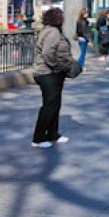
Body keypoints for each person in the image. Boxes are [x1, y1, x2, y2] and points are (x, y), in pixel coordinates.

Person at [32, 8, 74, 149]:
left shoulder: (48, 30)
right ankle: (38, 138)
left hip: (47, 73)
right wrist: (56, 67)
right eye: (61, 15)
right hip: (47, 73)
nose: (63, 17)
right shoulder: (53, 32)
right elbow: (48, 53)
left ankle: (52, 133)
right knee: (49, 106)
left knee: (54, 104)